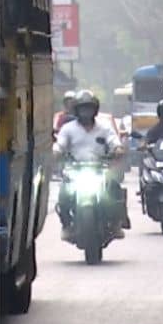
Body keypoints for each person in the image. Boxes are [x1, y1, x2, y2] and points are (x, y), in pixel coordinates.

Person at [53, 90, 127, 240]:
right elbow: (59, 145)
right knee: (63, 195)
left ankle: (116, 223)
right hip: (75, 171)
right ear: (76, 110)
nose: (86, 112)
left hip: (99, 169)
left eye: (89, 108)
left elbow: (114, 142)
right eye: (82, 108)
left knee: (114, 188)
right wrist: (56, 152)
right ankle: (67, 225)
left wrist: (118, 150)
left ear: (95, 109)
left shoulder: (104, 127)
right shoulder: (68, 128)